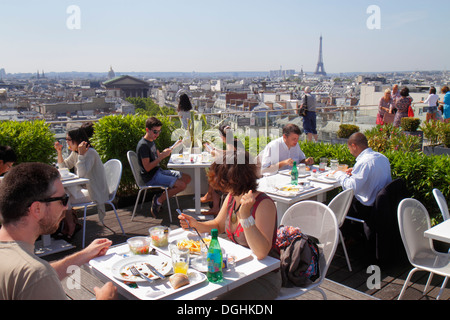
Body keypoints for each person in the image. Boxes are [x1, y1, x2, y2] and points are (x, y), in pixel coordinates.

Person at [0, 162, 117, 300]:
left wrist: (85, 254)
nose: (66, 206)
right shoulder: (35, 274)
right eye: (63, 200)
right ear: (37, 209)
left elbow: (37, 277)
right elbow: (38, 276)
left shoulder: (24, 269)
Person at [178, 150, 281, 299]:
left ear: (233, 178)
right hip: (238, 271)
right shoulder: (232, 196)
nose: (216, 182)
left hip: (262, 277)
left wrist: (245, 217)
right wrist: (195, 224)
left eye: (220, 178)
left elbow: (261, 252)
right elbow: (218, 225)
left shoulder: (263, 204)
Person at [54, 127, 109, 238]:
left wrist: (81, 155)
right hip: (87, 189)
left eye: (69, 139)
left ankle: (70, 225)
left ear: (78, 140)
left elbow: (81, 175)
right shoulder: (77, 153)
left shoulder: (89, 153)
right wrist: (59, 152)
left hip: (95, 192)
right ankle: (70, 224)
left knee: (64, 199)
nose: (67, 142)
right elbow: (64, 166)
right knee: (62, 196)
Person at [333, 132, 392, 232]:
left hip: (368, 209)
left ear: (353, 146)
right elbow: (371, 173)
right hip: (383, 206)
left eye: (349, 149)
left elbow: (351, 188)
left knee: (338, 207)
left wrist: (339, 174)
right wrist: (355, 170)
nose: (350, 152)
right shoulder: (382, 157)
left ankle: (342, 239)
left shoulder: (364, 162)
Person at [137, 117, 191, 216]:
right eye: (155, 132)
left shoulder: (151, 141)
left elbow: (157, 155)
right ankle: (158, 200)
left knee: (187, 178)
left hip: (158, 171)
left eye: (159, 132)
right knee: (182, 185)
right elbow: (147, 167)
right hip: (151, 177)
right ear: (147, 130)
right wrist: (162, 157)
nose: (157, 134)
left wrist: (168, 150)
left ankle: (160, 196)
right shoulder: (143, 146)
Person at [201, 124, 244, 215]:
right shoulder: (236, 142)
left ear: (221, 136)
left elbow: (228, 157)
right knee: (215, 172)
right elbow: (230, 153)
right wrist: (215, 149)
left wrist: (213, 152)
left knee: (215, 178)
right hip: (241, 174)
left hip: (235, 178)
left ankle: (215, 207)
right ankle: (209, 196)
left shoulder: (230, 145)